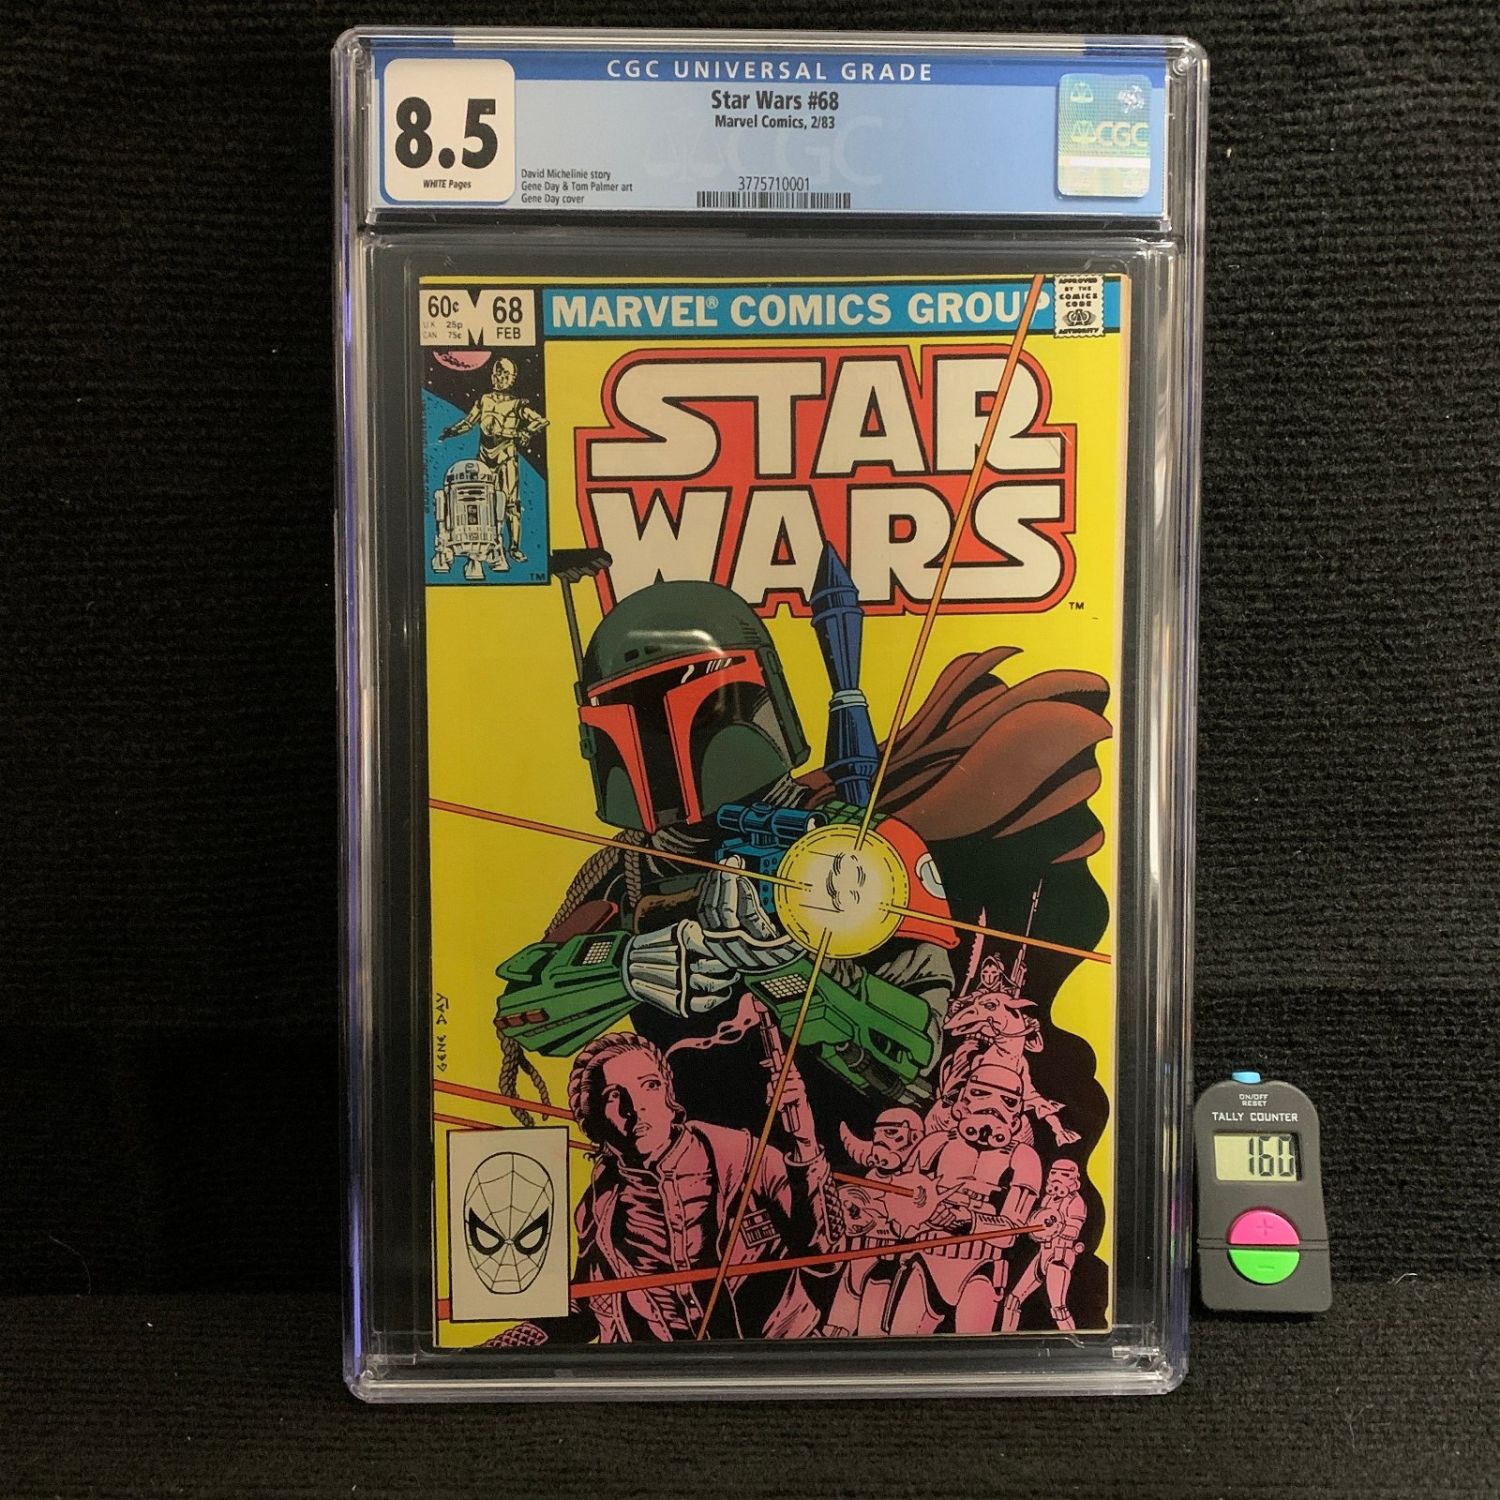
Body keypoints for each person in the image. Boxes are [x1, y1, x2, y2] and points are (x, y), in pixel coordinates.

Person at [566, 1032, 836, 1342]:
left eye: (650, 1085)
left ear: (669, 1095)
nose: (635, 1107)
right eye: (614, 1095)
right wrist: (529, 1335)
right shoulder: (598, 1206)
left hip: (779, 1354)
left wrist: (805, 1142)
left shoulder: (748, 1158)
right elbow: (584, 1307)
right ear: (594, 1119)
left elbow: (824, 1256)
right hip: (669, 1367)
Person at [441, 357, 547, 562]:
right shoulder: (484, 400)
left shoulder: (517, 405)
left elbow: (540, 420)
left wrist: (526, 432)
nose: (500, 378)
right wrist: (451, 431)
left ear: (512, 378)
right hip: (483, 456)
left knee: (511, 504)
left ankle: (514, 547)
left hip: (505, 456)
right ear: (492, 376)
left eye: (505, 374)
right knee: (482, 501)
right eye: (498, 373)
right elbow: (469, 422)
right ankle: (487, 545)